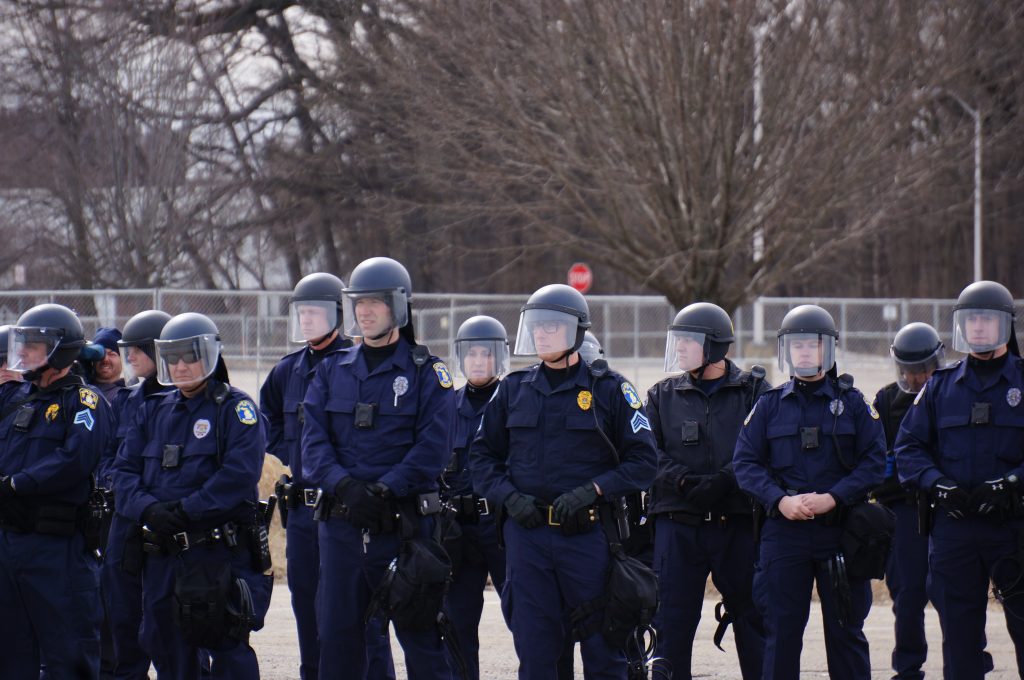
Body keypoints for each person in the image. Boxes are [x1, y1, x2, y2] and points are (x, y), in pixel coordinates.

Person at [470, 283, 658, 680]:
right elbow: (481, 457)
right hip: (528, 537)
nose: (540, 334)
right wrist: (508, 497)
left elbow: (644, 462)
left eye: (551, 327)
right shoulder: (512, 390)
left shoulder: (610, 389)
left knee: (604, 653)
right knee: (537, 655)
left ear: (575, 332)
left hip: (588, 538)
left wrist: (595, 490)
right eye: (535, 327)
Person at [302, 257, 456, 680]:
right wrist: (346, 487)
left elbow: (433, 447)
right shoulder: (332, 370)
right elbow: (313, 444)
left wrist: (385, 490)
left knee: (421, 639)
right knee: (337, 641)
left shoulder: (428, 373)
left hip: (404, 529)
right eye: (358, 302)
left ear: (398, 308)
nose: (364, 311)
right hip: (342, 530)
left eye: (375, 302)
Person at [112, 312, 272, 679]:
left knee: (226, 644)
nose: (181, 366)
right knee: (165, 645)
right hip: (162, 554)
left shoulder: (235, 410)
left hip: (217, 554)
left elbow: (237, 476)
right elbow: (122, 472)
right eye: (173, 358)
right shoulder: (152, 410)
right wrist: (149, 511)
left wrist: (185, 511)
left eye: (190, 356)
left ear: (211, 355)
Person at [733, 304, 885, 680]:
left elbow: (875, 462)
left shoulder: (852, 404)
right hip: (785, 534)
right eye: (796, 345)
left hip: (840, 532)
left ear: (828, 349)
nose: (803, 353)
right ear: (786, 350)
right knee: (781, 635)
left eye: (811, 345)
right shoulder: (768, 406)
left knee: (846, 630)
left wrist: (834, 496)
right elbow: (745, 464)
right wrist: (779, 500)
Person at [260, 272, 395, 680]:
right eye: (301, 312)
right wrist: (294, 454)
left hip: (346, 508)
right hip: (303, 510)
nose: (306, 320)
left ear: (339, 315)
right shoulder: (288, 370)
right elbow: (267, 423)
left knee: (361, 611)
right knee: (306, 606)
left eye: (315, 312)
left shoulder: (354, 364)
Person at [896, 280, 1024, 680]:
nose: (979, 328)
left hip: (1014, 527)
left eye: (987, 319)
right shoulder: (940, 386)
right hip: (955, 530)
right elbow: (908, 447)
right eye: (971, 321)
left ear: (1005, 325)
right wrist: (936, 483)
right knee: (960, 640)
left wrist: (1012, 483)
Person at [647, 302, 768, 680]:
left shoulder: (754, 392)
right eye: (677, 341)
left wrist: (726, 480)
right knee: (671, 622)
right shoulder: (660, 396)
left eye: (688, 341)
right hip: (678, 525)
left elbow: (763, 446)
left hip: (737, 524)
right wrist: (682, 481)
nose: (679, 349)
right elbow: (647, 452)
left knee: (754, 620)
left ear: (714, 347)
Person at [0, 303, 114, 678]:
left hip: (57, 551)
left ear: (59, 350)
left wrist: (18, 484)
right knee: (12, 653)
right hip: (12, 544)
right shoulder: (19, 401)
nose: (24, 353)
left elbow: (75, 459)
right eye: (24, 344)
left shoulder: (84, 402)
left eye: (34, 345)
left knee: (68, 656)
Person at [871, 323, 946, 680]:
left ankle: (968, 659)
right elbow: (875, 457)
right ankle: (909, 666)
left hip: (948, 506)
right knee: (908, 593)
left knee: (955, 593)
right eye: (909, 371)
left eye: (923, 371)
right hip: (903, 509)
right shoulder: (887, 400)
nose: (916, 378)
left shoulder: (953, 394)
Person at [101, 309, 172, 680]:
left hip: (170, 523)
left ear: (158, 352)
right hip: (126, 520)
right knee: (123, 616)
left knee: (171, 625)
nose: (128, 358)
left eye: (135, 350)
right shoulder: (125, 401)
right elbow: (112, 459)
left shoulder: (186, 400)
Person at [443, 315, 511, 680]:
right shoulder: (446, 407)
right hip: (459, 531)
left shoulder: (515, 404)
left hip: (501, 527)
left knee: (525, 619)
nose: (478, 362)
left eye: (486, 355)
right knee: (456, 623)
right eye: (471, 355)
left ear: (499, 358)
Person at [92, 327, 127, 400]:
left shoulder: (127, 395)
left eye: (111, 354)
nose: (105, 359)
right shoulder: (83, 387)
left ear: (122, 359)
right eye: (101, 354)